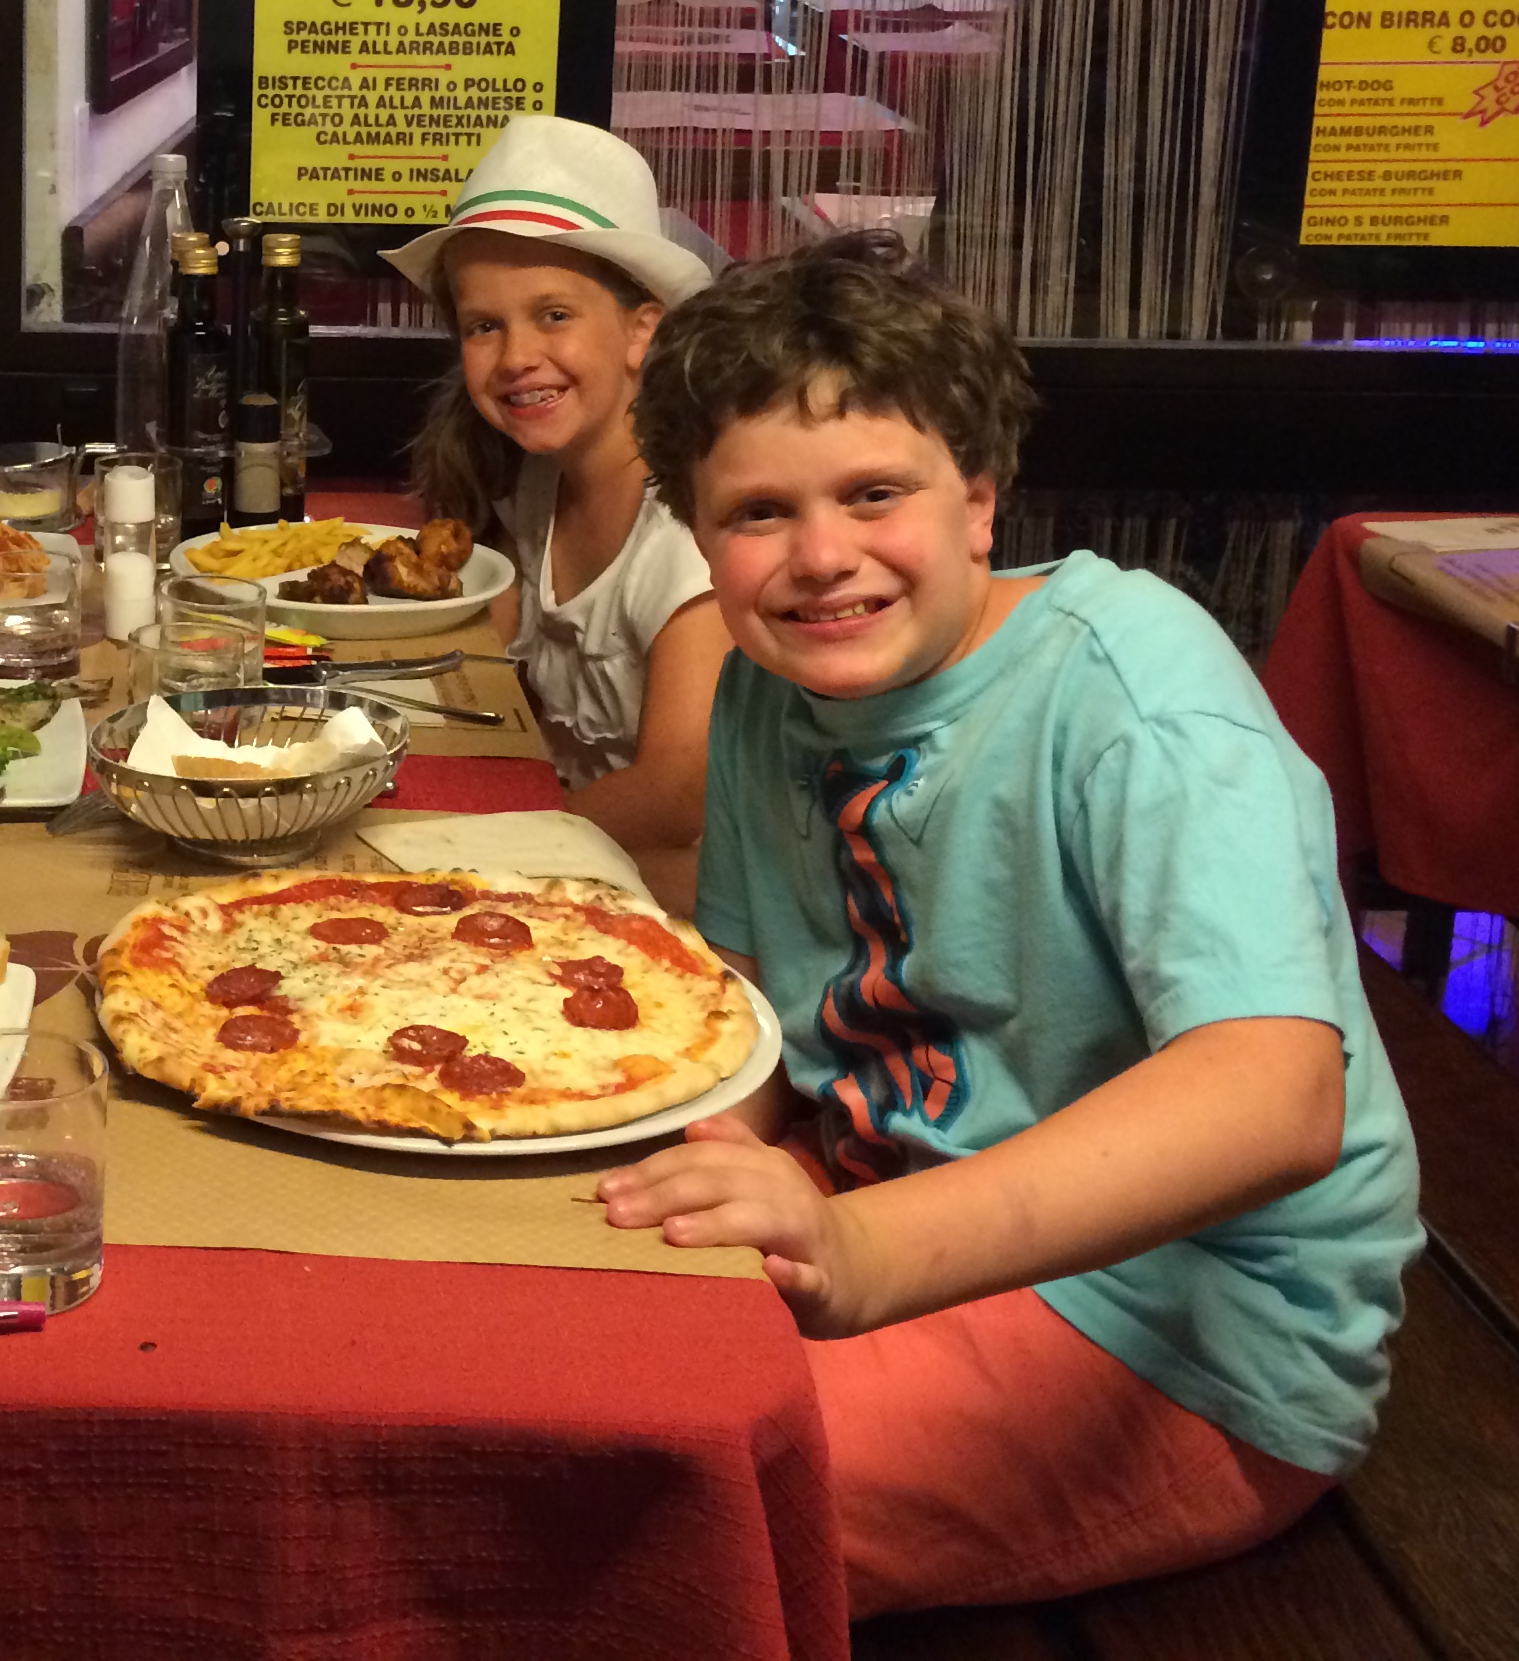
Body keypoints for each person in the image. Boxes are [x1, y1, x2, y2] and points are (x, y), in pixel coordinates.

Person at [608, 230, 1421, 1618]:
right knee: (519, 1350)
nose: (822, 558)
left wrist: (862, 1250)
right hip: (871, 1194)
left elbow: (1277, 1098)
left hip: (1182, 1324)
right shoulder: (761, 690)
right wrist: (671, 1164)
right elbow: (739, 1016)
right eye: (758, 514)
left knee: (628, 1504)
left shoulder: (1135, 690)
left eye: (875, 494)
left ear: (979, 503)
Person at [383, 115, 728, 911]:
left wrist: (489, 845)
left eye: (554, 315)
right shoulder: (537, 484)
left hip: (679, 914)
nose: (515, 357)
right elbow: (476, 661)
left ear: (642, 331)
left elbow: (679, 792)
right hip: (563, 874)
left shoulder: (685, 530)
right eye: (484, 326)